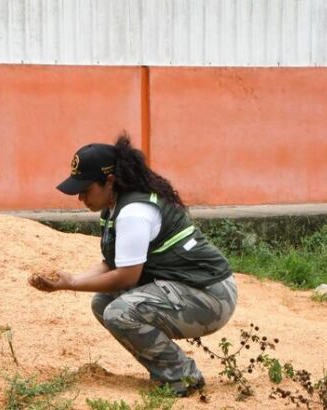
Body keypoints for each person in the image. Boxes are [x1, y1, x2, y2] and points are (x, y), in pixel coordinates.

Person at [29, 132, 237, 397]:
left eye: (85, 189)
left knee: (119, 312)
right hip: (187, 288)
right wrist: (70, 277)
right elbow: (111, 263)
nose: (80, 198)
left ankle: (181, 377)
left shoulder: (133, 213)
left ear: (110, 181)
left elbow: (127, 276)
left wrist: (70, 284)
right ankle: (172, 371)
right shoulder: (115, 206)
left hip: (211, 296)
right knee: (103, 304)